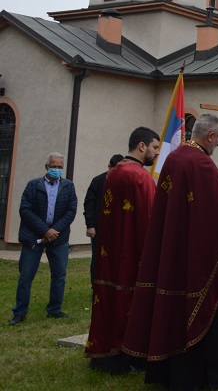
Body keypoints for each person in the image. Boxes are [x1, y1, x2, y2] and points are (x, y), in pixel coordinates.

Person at [123, 114, 218, 389]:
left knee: (171, 311)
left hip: (174, 248)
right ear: (210, 136)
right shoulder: (201, 163)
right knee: (202, 310)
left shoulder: (175, 158)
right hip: (197, 258)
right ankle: (203, 372)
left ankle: (166, 371)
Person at [86, 127, 159, 373]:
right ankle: (129, 358)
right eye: (154, 147)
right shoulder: (140, 177)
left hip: (110, 254)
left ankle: (103, 355)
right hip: (133, 256)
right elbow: (151, 219)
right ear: (141, 146)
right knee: (129, 304)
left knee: (108, 301)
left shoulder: (114, 173)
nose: (156, 153)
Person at [8, 153, 78, 326]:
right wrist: (45, 230)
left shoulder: (68, 186)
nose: (57, 169)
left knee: (59, 275)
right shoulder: (33, 185)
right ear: (46, 166)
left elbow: (71, 210)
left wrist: (55, 230)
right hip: (33, 237)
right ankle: (20, 312)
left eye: (60, 167)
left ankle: (55, 309)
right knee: (25, 276)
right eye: (54, 166)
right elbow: (25, 210)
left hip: (59, 238)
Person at [83, 154, 124, 285]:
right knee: (97, 258)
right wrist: (90, 225)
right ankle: (95, 287)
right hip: (98, 227)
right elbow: (88, 204)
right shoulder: (98, 181)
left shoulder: (123, 182)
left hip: (116, 227)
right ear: (109, 167)